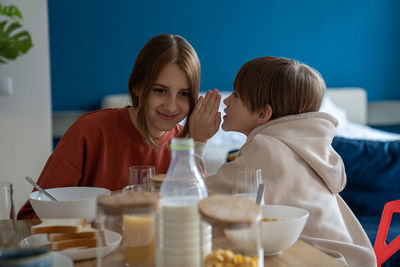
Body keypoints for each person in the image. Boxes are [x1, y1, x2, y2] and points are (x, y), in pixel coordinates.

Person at [18, 34, 221, 219]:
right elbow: (29, 217)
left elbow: (195, 218)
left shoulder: (184, 146)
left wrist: (198, 142)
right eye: (161, 91)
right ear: (137, 87)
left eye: (184, 94)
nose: (171, 106)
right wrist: (119, 199)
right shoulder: (89, 131)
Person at [205, 56, 376, 266]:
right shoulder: (310, 149)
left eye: (236, 95)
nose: (226, 101)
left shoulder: (265, 148)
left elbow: (198, 198)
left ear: (263, 113)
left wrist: (196, 141)